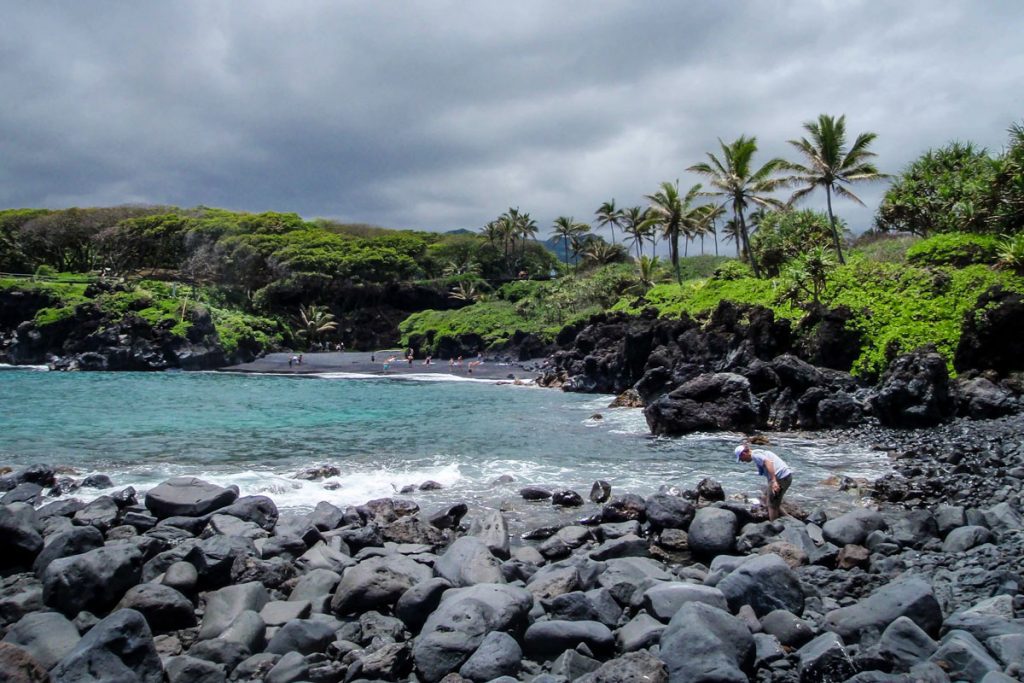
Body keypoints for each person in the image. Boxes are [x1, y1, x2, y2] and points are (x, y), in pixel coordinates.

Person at [734, 443, 793, 521]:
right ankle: (789, 519)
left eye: (741, 458)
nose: (742, 461)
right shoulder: (757, 452)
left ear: (744, 453)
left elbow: (768, 462)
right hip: (785, 476)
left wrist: (774, 481)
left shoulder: (755, 455)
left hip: (781, 477)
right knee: (766, 498)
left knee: (772, 506)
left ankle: (774, 526)